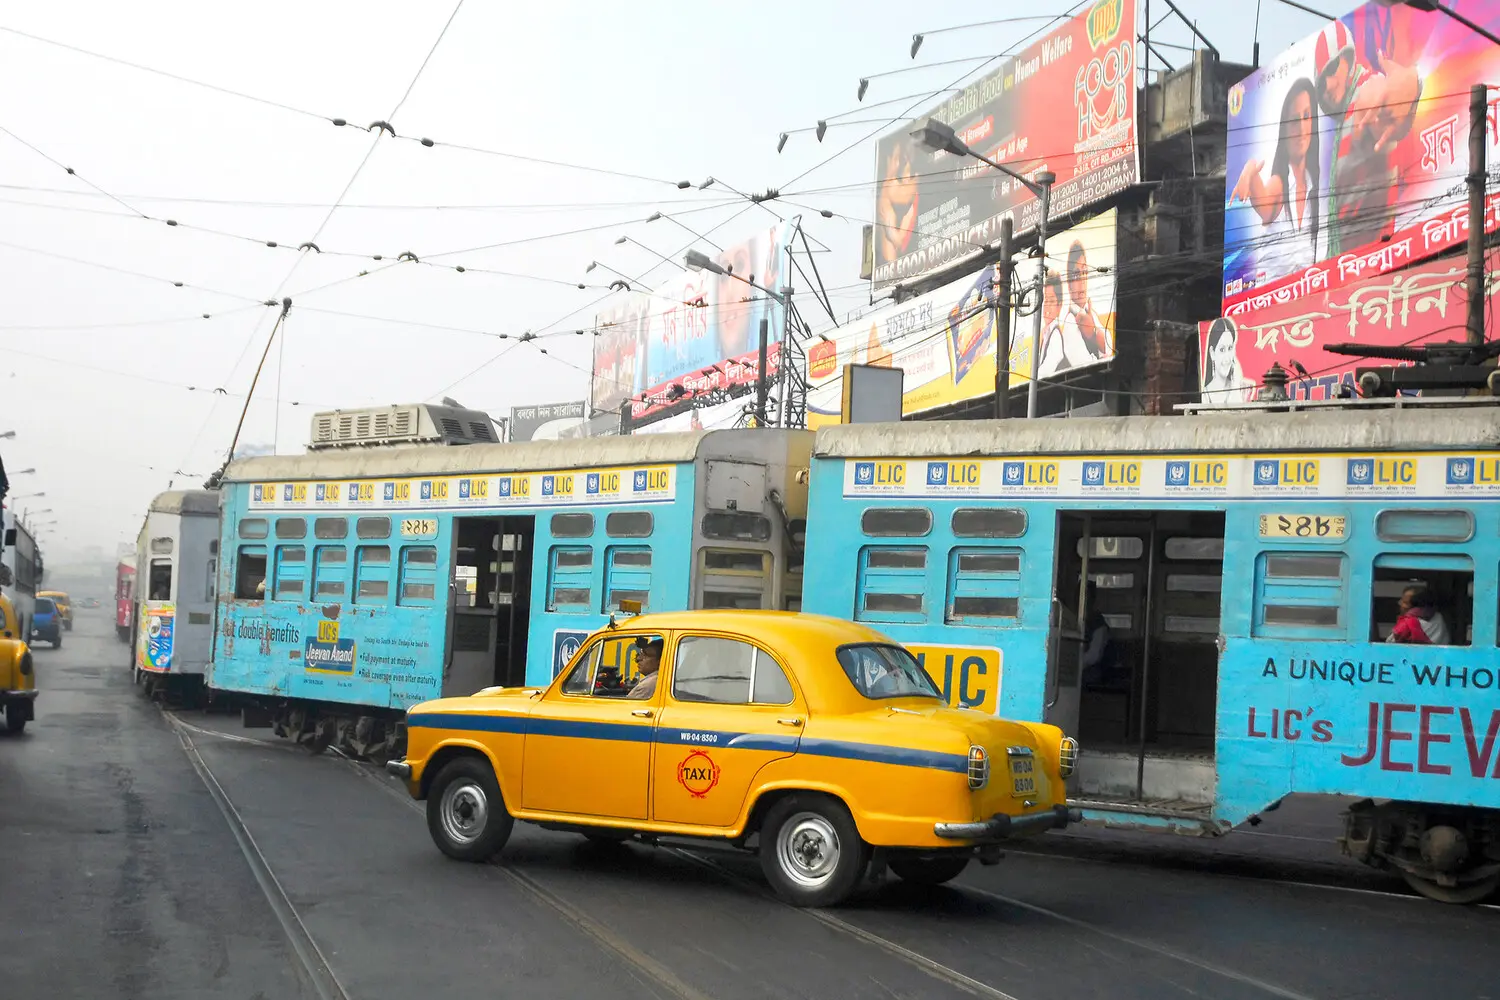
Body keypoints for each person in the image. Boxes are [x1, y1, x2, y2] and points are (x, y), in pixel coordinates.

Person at [1231, 77, 1325, 276]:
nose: (1301, 129)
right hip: (1269, 294)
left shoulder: (1317, 189)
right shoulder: (1279, 185)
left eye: (1306, 116)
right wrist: (1249, 170)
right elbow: (1263, 203)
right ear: (1284, 129)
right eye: (1294, 121)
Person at [1200, 317, 1256, 405]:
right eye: (1222, 350)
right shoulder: (1205, 395)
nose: (1227, 358)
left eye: (1230, 348)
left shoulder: (1244, 389)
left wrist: (1235, 385)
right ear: (1212, 353)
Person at [1078, 581, 1123, 688]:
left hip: (1098, 671)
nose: (1081, 600)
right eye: (1078, 596)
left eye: (1085, 596)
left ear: (1092, 600)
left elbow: (1094, 656)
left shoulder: (1098, 624)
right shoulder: (1076, 619)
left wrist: (1075, 664)